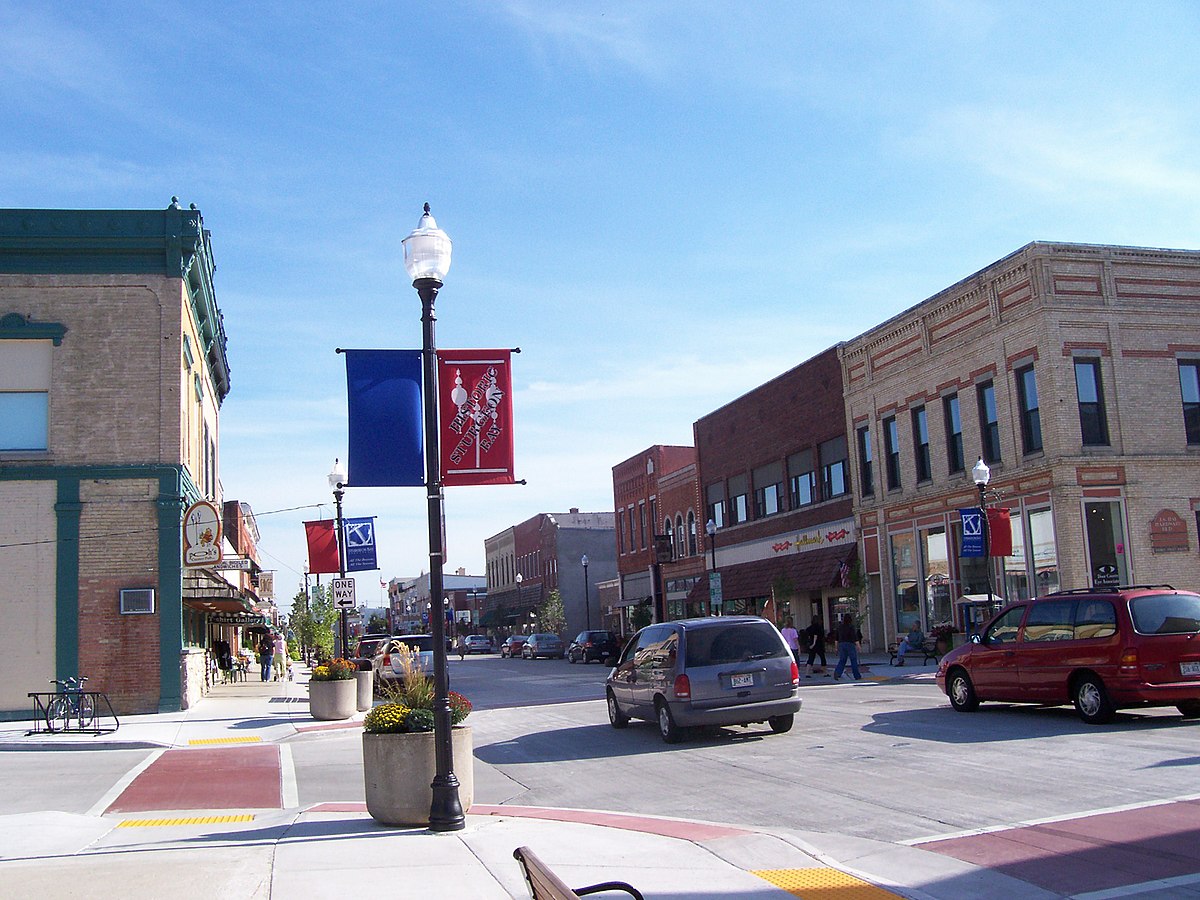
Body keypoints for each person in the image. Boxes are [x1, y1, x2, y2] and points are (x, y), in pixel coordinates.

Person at [832, 613, 862, 681]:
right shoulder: (851, 627)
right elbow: (855, 638)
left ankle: (837, 673)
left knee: (842, 660)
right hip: (850, 644)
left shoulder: (840, 627)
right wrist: (858, 646)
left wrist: (836, 648)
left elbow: (836, 638)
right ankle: (857, 676)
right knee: (853, 660)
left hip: (842, 644)